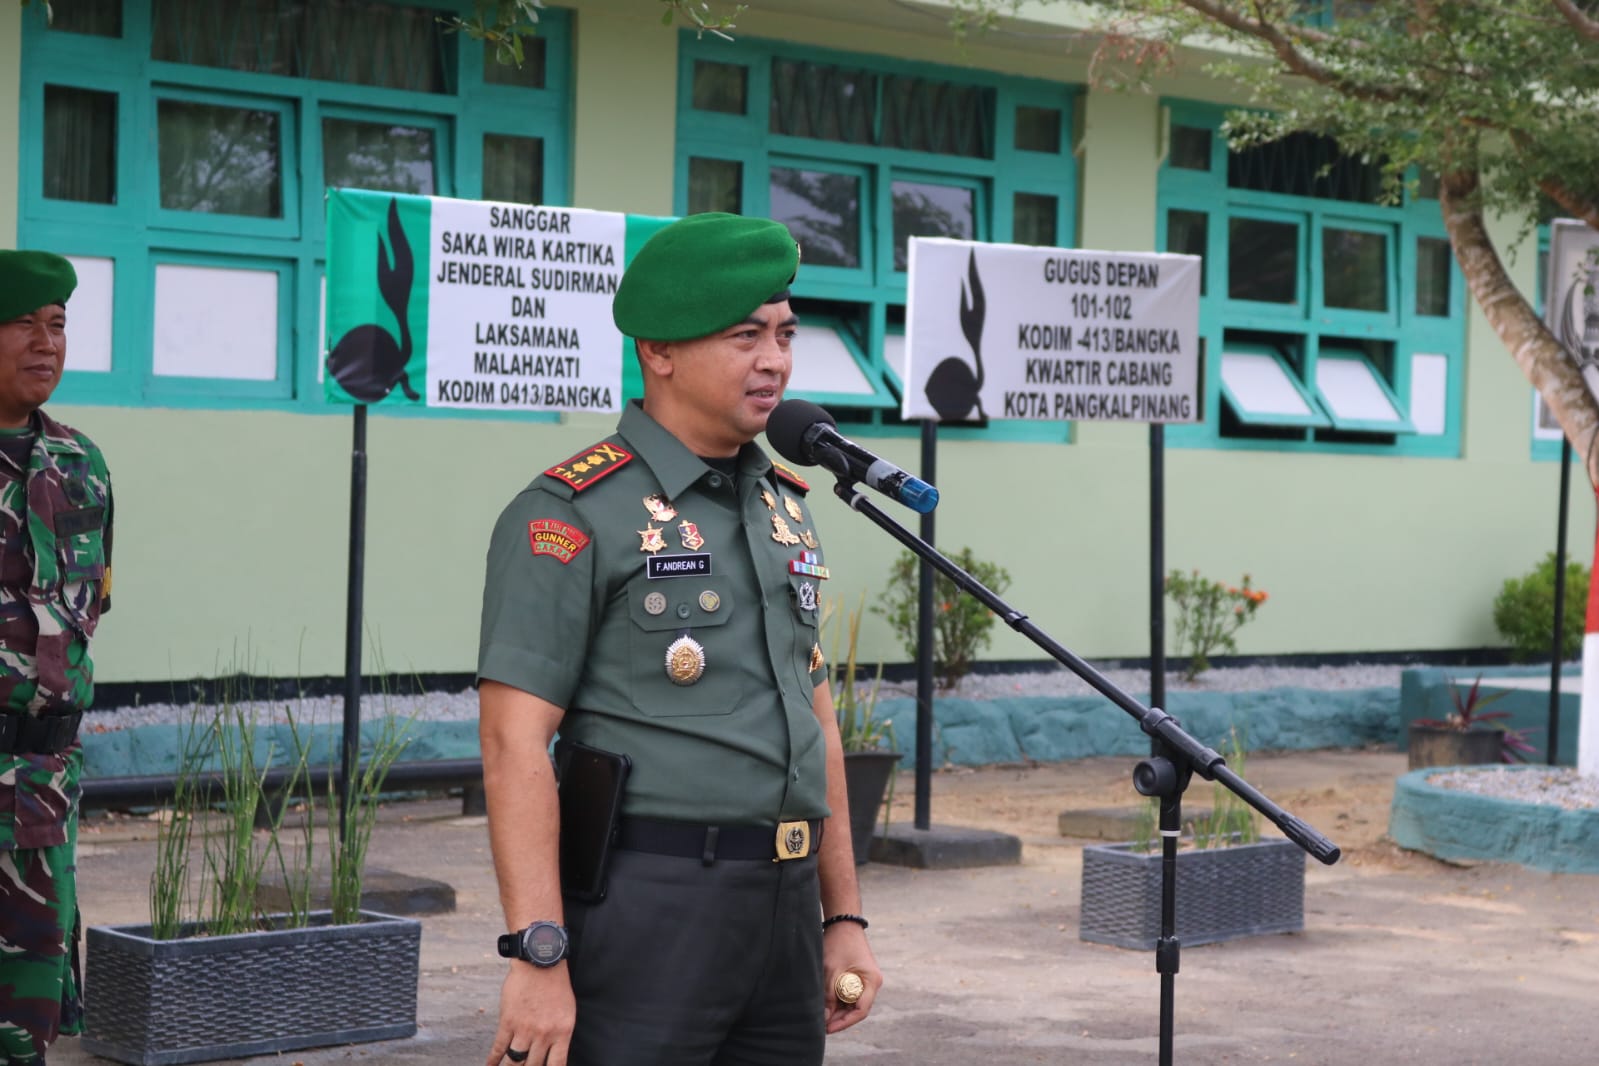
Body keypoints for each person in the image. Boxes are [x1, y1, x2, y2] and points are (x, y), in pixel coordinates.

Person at [477, 212, 881, 1066]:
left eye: (783, 334)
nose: (774, 361)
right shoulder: (570, 514)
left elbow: (819, 722)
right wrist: (538, 952)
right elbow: (514, 744)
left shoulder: (785, 506)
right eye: (744, 336)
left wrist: (841, 918)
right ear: (658, 350)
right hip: (649, 903)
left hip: (783, 905)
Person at [0, 250, 114, 1064]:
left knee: (26, 1028)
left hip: (42, 798)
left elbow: (89, 611)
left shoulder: (81, 466)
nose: (46, 343)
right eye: (23, 323)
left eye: (58, 325)